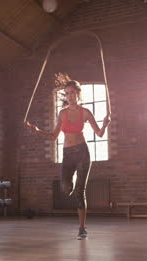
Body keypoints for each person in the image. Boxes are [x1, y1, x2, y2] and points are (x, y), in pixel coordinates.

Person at [26, 80, 110, 239]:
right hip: (68, 154)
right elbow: (53, 136)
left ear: (78, 94)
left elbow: (99, 133)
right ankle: (73, 182)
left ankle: (82, 228)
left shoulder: (85, 112)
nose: (70, 96)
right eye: (67, 93)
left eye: (73, 93)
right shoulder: (62, 113)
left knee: (80, 192)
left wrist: (105, 124)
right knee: (65, 188)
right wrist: (37, 131)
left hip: (82, 154)